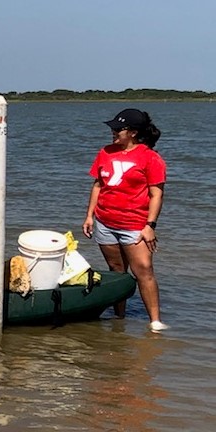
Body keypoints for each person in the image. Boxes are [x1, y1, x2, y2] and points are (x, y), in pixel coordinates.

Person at [82, 108, 167, 331]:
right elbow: (98, 185)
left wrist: (150, 225)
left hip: (135, 225)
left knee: (144, 271)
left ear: (133, 132)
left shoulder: (150, 158)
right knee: (117, 271)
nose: (113, 132)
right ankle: (119, 318)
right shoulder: (105, 152)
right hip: (105, 222)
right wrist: (90, 216)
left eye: (118, 129)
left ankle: (155, 322)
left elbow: (156, 194)